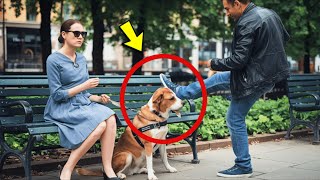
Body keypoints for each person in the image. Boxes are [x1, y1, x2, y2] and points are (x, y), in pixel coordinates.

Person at [160, 0, 289, 178]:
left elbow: (238, 60)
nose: (227, 13)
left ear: (237, 3)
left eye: (227, 9)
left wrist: (213, 63)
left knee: (234, 118)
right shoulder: (270, 14)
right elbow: (283, 40)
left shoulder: (247, 22)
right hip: (268, 75)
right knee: (220, 81)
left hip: (253, 77)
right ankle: (181, 93)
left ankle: (243, 166)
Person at [44, 19, 120, 180]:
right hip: (62, 107)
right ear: (64, 34)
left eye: (83, 34)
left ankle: (108, 169)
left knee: (111, 117)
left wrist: (98, 98)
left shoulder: (81, 59)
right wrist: (84, 86)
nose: (80, 37)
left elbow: (83, 95)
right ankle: (67, 168)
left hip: (81, 104)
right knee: (100, 125)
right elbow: (57, 95)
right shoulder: (53, 60)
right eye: (76, 33)